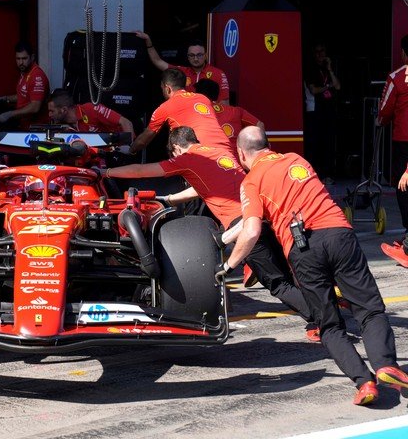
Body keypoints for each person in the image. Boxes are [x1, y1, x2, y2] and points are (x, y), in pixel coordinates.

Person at [219, 126, 408, 406]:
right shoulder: (297, 160)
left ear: (241, 154)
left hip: (302, 250)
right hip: (338, 234)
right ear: (268, 145)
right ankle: (385, 365)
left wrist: (228, 264)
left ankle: (364, 381)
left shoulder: (251, 181)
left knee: (329, 325)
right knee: (369, 310)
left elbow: (251, 230)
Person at [106, 126, 317, 340]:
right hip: (262, 215)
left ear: (177, 148)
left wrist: (106, 172)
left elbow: (142, 171)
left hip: (242, 225)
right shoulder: (219, 153)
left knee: (278, 284)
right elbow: (205, 187)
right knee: (290, 277)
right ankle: (321, 318)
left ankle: (322, 321)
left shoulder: (188, 158)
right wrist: (170, 199)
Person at [130, 68, 231, 154]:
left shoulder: (165, 107)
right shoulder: (203, 98)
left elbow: (142, 141)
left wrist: (130, 150)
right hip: (225, 150)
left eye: (162, 89)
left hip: (200, 154)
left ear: (167, 89)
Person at [135, 32, 230, 104]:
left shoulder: (218, 73)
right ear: (187, 57)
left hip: (208, 120)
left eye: (199, 55)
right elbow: (158, 61)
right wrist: (148, 41)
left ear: (206, 55)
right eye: (192, 55)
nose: (196, 58)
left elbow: (225, 103)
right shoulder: (182, 72)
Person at [378, 34, 408, 263]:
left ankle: (407, 246)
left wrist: (381, 120)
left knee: (404, 187)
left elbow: (385, 110)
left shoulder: (396, 77)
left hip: (404, 141)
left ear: (404, 53)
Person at [193, 78, 264, 157]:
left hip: (207, 159)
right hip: (234, 161)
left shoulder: (194, 112)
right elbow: (259, 124)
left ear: (198, 95)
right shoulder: (236, 111)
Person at [304, 43, 341, 185]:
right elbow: (313, 90)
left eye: (322, 51)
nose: (320, 54)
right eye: (317, 52)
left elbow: (338, 86)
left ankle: (328, 175)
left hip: (328, 111)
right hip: (314, 111)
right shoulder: (310, 69)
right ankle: (314, 176)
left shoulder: (327, 69)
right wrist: (327, 86)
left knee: (328, 143)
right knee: (315, 144)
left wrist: (330, 69)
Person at [0, 41, 50, 130]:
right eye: (18, 59)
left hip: (36, 129)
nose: (21, 62)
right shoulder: (24, 73)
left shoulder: (36, 76)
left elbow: (35, 107)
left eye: (24, 58)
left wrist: (10, 114)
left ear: (32, 57)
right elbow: (24, 95)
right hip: (25, 126)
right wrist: (5, 98)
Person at [47, 89, 135, 139]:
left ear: (63, 110)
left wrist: (128, 147)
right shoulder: (61, 127)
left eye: (52, 111)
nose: (49, 115)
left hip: (117, 153)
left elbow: (126, 122)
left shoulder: (91, 109)